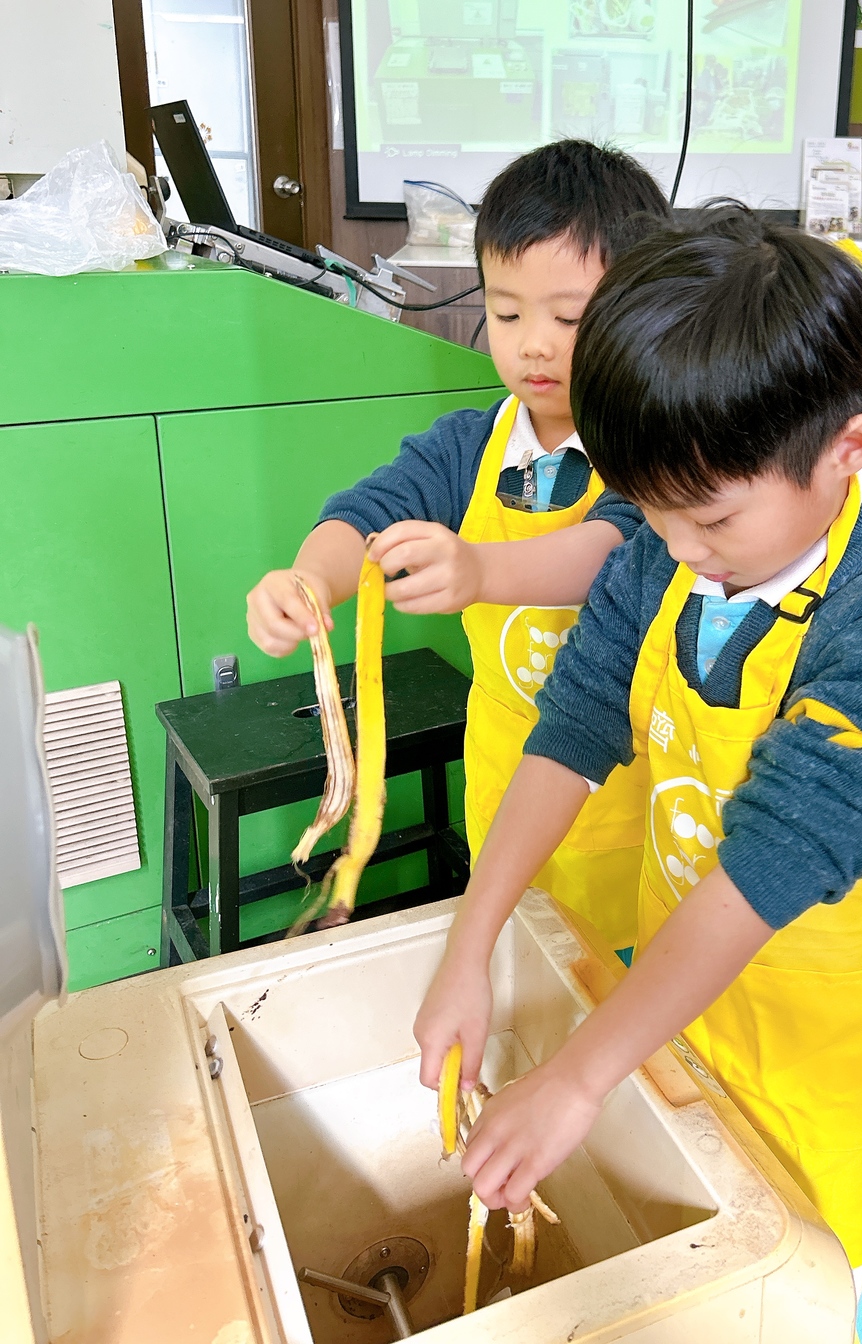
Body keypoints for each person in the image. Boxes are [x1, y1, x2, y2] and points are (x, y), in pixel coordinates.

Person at [414, 207, 862, 1342]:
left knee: (805, 1296)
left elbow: (761, 874)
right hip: (682, 1024)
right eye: (651, 511)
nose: (676, 548)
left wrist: (577, 1077)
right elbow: (572, 728)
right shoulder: (670, 547)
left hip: (830, 1072)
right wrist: (469, 942)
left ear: (848, 449)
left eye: (712, 517)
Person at [245, 139, 671, 952]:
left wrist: (481, 568)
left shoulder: (659, 452)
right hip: (504, 782)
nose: (533, 343)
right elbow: (365, 514)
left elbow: (612, 551)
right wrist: (309, 579)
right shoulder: (468, 446)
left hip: (623, 799)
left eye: (568, 318)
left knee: (616, 981)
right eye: (507, 314)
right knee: (520, 959)